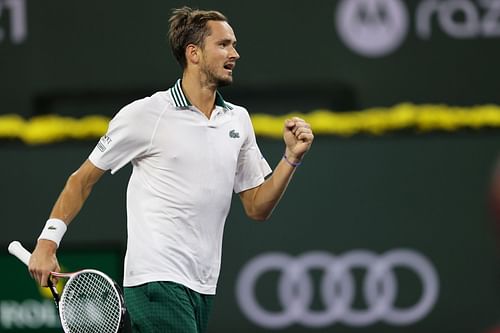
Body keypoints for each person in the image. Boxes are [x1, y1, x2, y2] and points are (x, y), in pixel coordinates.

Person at [28, 6, 314, 333]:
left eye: (233, 44)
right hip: (157, 280)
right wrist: (47, 243)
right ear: (193, 53)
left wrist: (291, 158)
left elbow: (257, 207)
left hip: (202, 286)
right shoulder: (145, 114)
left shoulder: (238, 120)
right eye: (224, 45)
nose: (234, 53)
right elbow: (81, 180)